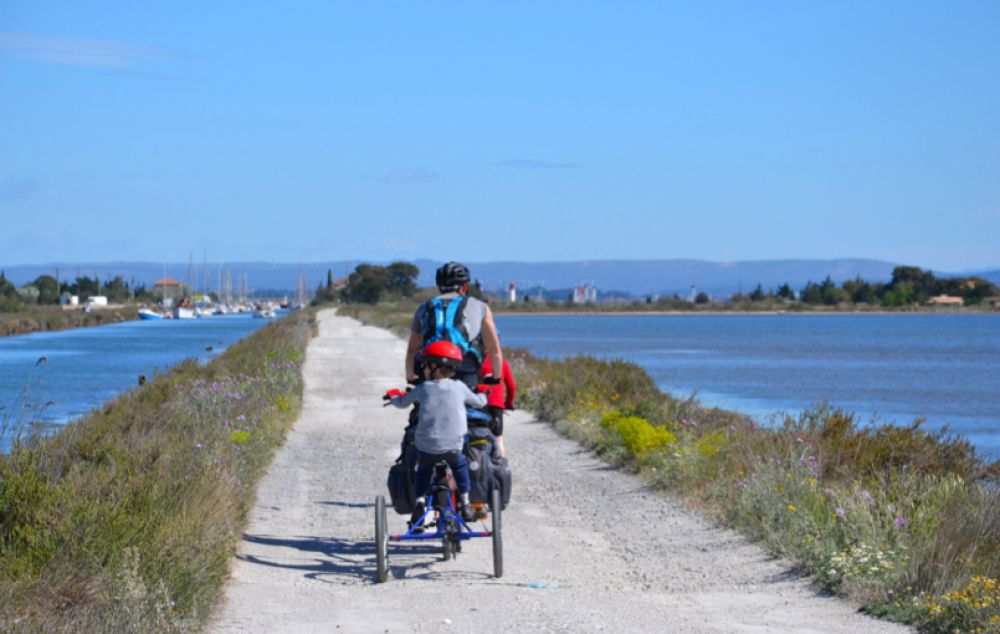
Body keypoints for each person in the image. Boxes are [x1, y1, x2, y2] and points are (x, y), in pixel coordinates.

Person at [388, 341, 487, 524]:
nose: (424, 370)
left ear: (435, 367)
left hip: (427, 448)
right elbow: (479, 403)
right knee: (460, 468)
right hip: (453, 447)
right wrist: (482, 393)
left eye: (426, 366)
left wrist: (394, 395)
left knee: (423, 472)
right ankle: (465, 502)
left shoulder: (423, 388)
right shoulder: (459, 387)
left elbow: (402, 403)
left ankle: (419, 504)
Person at [406, 262, 503, 390]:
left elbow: (412, 349)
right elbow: (493, 348)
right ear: (464, 287)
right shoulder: (481, 307)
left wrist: (410, 376)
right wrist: (496, 376)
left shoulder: (424, 308)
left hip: (432, 370)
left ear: (439, 288)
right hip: (465, 370)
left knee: (424, 404)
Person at [479, 350, 515, 458]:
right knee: (498, 437)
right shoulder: (502, 363)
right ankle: (500, 468)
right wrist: (508, 403)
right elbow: (511, 386)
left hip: (480, 405)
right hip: (496, 406)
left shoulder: (477, 362)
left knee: (478, 437)